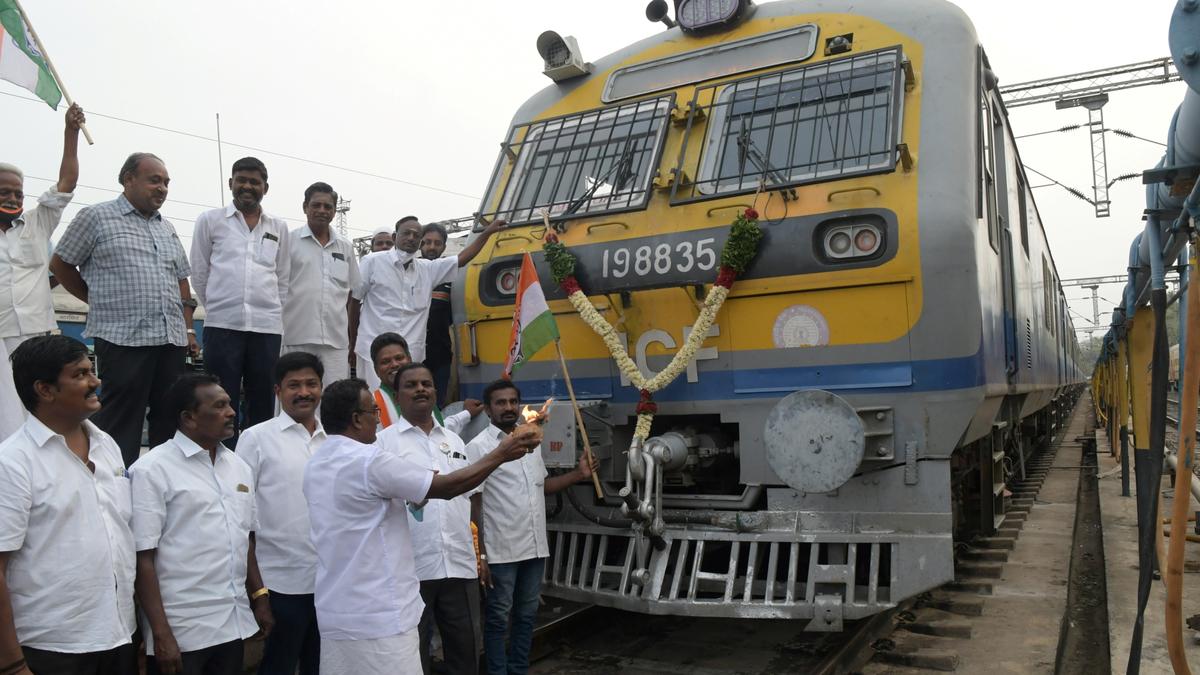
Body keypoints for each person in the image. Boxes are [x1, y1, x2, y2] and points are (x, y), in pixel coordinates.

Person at [303, 378, 539, 675]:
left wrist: (415, 495)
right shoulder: (369, 459)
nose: (378, 418)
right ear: (356, 419)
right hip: (380, 615)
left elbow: (366, 506)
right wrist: (501, 453)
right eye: (374, 411)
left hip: (338, 611)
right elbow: (447, 488)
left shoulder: (317, 461)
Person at [51, 152, 201, 467]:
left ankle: (164, 481)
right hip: (122, 339)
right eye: (154, 180)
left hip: (170, 340)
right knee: (121, 420)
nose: (162, 188)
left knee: (169, 417)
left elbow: (181, 280)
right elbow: (61, 264)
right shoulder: (96, 217)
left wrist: (188, 329)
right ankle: (115, 482)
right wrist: (96, 299)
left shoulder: (167, 227)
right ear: (128, 179)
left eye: (166, 182)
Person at [0, 335, 136, 675]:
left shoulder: (107, 445)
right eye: (80, 374)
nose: (95, 382)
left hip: (120, 635)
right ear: (45, 390)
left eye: (91, 370)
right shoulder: (13, 462)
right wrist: (13, 664)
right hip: (51, 648)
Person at [131, 373, 274, 675]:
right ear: (189, 418)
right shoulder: (152, 470)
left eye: (230, 404)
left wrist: (259, 597)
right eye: (219, 406)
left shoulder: (238, 467)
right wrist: (160, 633)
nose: (231, 412)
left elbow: (244, 538)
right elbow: (143, 557)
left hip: (233, 622)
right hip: (182, 629)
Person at [465, 380, 596, 675]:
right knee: (498, 619)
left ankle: (518, 670)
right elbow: (474, 503)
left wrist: (579, 474)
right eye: (501, 402)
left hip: (535, 548)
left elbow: (542, 486)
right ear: (488, 410)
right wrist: (480, 555)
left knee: (526, 617)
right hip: (501, 552)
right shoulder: (479, 447)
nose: (508, 407)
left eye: (513, 401)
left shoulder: (531, 441)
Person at [377, 364, 482, 675]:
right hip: (411, 571)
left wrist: (481, 555)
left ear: (435, 392)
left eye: (426, 383)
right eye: (411, 385)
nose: (420, 389)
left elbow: (471, 498)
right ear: (397, 396)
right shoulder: (383, 444)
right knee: (413, 658)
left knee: (465, 655)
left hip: (459, 565)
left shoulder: (454, 441)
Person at [190, 157, 291, 445]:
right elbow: (199, 272)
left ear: (265, 188)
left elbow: (283, 277)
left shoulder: (278, 227)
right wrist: (218, 305)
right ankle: (221, 456)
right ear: (230, 183)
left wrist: (270, 310)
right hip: (222, 325)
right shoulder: (210, 220)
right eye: (242, 180)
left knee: (263, 399)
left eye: (254, 182)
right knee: (220, 398)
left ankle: (259, 457)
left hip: (266, 328)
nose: (247, 186)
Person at [238, 352, 326, 675]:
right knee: (278, 666)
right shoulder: (256, 438)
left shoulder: (333, 439)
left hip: (329, 583)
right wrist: (258, 593)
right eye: (294, 385)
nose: (304, 392)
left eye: (311, 384)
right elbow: (241, 519)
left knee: (321, 666)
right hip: (279, 584)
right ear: (278, 391)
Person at [352, 215, 505, 390]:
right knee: (376, 400)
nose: (411, 238)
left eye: (416, 235)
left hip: (410, 356)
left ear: (420, 242)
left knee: (406, 401)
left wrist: (487, 233)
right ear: (395, 237)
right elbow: (354, 300)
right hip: (373, 352)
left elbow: (462, 258)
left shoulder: (427, 269)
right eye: (406, 233)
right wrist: (352, 342)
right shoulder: (372, 262)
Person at [0, 104, 84, 356]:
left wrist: (71, 132)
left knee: (32, 383)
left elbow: (67, 182)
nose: (13, 199)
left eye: (18, 194)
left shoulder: (37, 223)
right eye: (5, 192)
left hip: (34, 333)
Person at [282, 182, 360, 383]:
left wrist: (351, 337)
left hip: (336, 342)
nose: (322, 210)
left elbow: (353, 291)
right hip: (296, 337)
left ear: (334, 211)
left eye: (328, 206)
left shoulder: (345, 247)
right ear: (305, 207)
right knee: (297, 394)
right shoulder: (289, 241)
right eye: (316, 205)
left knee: (336, 397)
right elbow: (277, 287)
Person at [369, 332, 477, 434]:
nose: (394, 364)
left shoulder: (423, 393)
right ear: (376, 370)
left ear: (409, 360)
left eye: (399, 358)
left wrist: (466, 414)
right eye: (385, 362)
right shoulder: (371, 405)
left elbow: (435, 432)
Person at [419, 223, 455, 406]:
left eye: (437, 243)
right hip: (413, 356)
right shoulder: (409, 271)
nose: (432, 247)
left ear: (444, 247)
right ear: (420, 243)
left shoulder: (452, 276)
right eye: (427, 242)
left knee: (438, 406)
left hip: (440, 356)